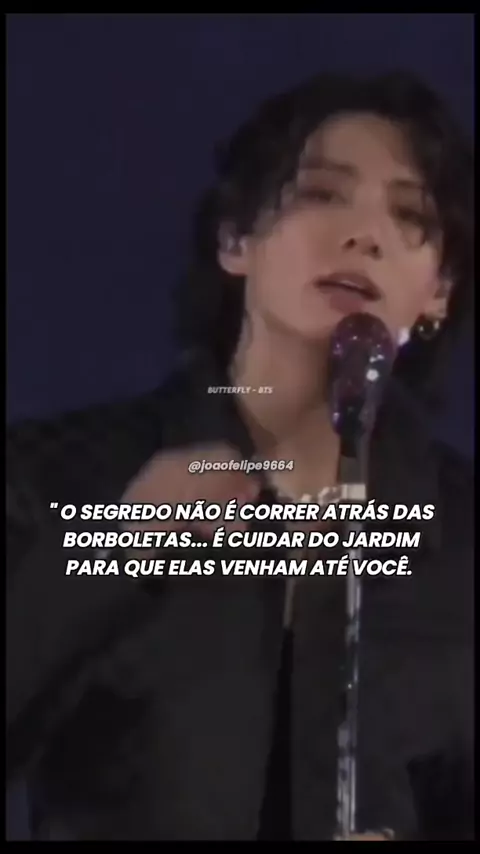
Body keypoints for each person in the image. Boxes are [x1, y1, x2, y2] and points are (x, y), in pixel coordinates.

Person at [7, 70, 473, 841]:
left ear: (439, 292)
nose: (366, 235)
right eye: (322, 193)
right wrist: (109, 552)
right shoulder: (55, 475)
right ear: (235, 239)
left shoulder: (460, 533)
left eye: (410, 215)